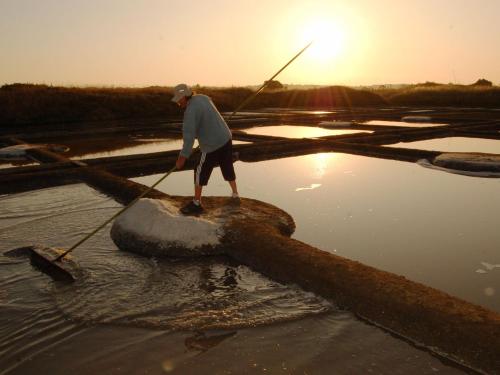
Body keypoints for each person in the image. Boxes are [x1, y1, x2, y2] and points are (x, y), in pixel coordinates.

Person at [172, 83, 239, 215]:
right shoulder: (203, 97)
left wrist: (182, 158)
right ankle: (236, 194)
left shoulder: (190, 112)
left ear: (185, 96)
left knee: (200, 169)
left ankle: (196, 203)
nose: (178, 102)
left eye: (179, 99)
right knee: (227, 165)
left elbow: (189, 138)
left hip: (211, 144)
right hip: (225, 136)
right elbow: (209, 113)